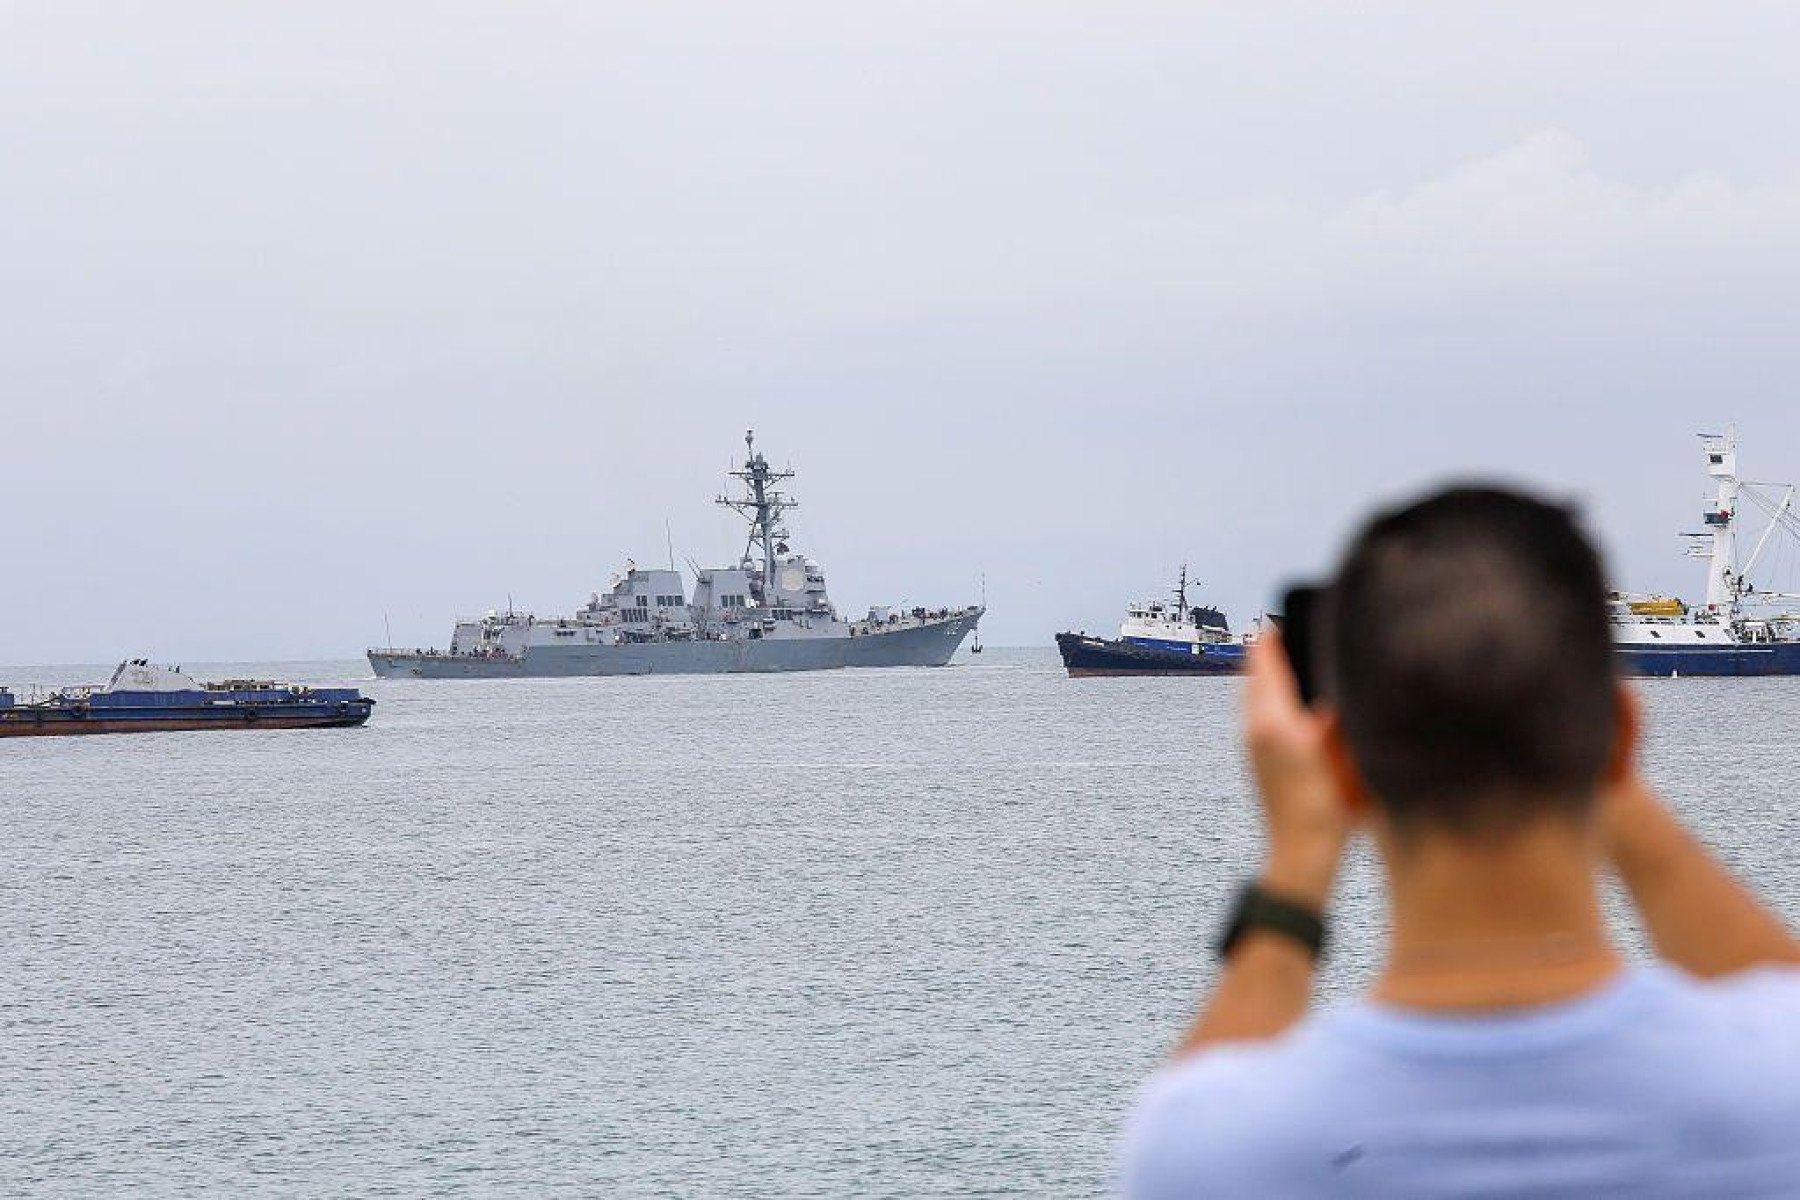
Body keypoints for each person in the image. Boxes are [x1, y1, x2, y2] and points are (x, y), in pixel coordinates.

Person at [1122, 487, 1800, 1197]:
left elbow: (1205, 1097)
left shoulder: (1207, 1151)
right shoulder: (1776, 1098)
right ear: (1621, 737)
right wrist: (1590, 752)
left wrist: (1299, 854)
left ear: (1340, 765)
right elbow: (1777, 992)